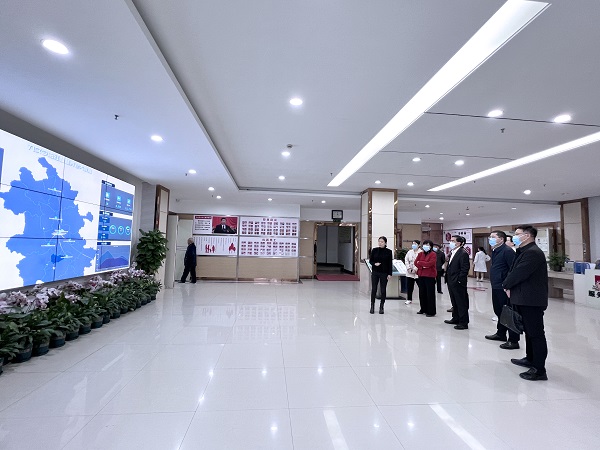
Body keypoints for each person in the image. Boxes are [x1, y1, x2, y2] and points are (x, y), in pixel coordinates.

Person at [502, 225, 549, 381]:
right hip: (523, 298)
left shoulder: (533, 253)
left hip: (531, 300)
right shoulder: (523, 251)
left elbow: (519, 273)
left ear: (527, 236)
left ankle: (539, 369)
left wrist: (506, 284)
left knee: (536, 334)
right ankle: (530, 358)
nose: (514, 237)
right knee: (529, 332)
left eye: (517, 234)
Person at [485, 230, 519, 349]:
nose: (490, 239)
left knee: (508, 312)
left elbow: (512, 270)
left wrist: (508, 285)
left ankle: (513, 340)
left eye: (493, 237)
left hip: (504, 287)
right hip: (496, 285)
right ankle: (501, 333)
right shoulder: (496, 250)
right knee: (499, 310)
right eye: (490, 237)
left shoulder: (507, 251)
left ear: (501, 239)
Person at [444, 235, 470, 330]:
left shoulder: (463, 253)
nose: (450, 242)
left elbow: (465, 268)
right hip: (451, 280)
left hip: (457, 281)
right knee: (454, 301)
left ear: (458, 243)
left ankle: (463, 322)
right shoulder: (453, 252)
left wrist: (459, 280)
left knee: (461, 302)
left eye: (453, 241)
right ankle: (455, 318)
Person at [369, 236, 393, 314]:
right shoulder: (374, 250)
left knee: (383, 290)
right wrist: (374, 264)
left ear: (385, 243)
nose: (380, 243)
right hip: (375, 272)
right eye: (379, 241)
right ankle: (372, 306)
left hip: (384, 273)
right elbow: (371, 261)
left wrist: (389, 273)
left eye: (382, 242)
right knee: (374, 289)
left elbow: (390, 263)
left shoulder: (389, 252)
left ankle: (381, 306)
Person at [415, 239, 437, 316]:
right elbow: (416, 262)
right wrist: (423, 265)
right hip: (421, 275)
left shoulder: (433, 254)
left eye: (427, 245)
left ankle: (431, 311)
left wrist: (421, 263)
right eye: (424, 245)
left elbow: (430, 264)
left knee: (430, 294)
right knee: (422, 293)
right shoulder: (420, 254)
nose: (426, 246)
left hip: (430, 276)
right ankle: (423, 309)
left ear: (431, 246)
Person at [404, 240, 421, 305]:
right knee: (409, 287)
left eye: (415, 244)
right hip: (409, 272)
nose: (413, 245)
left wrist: (415, 269)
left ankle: (422, 299)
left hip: (417, 272)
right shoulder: (409, 252)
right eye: (413, 244)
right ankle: (409, 299)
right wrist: (408, 268)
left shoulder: (421, 252)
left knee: (421, 287)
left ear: (419, 245)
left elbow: (420, 262)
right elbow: (406, 260)